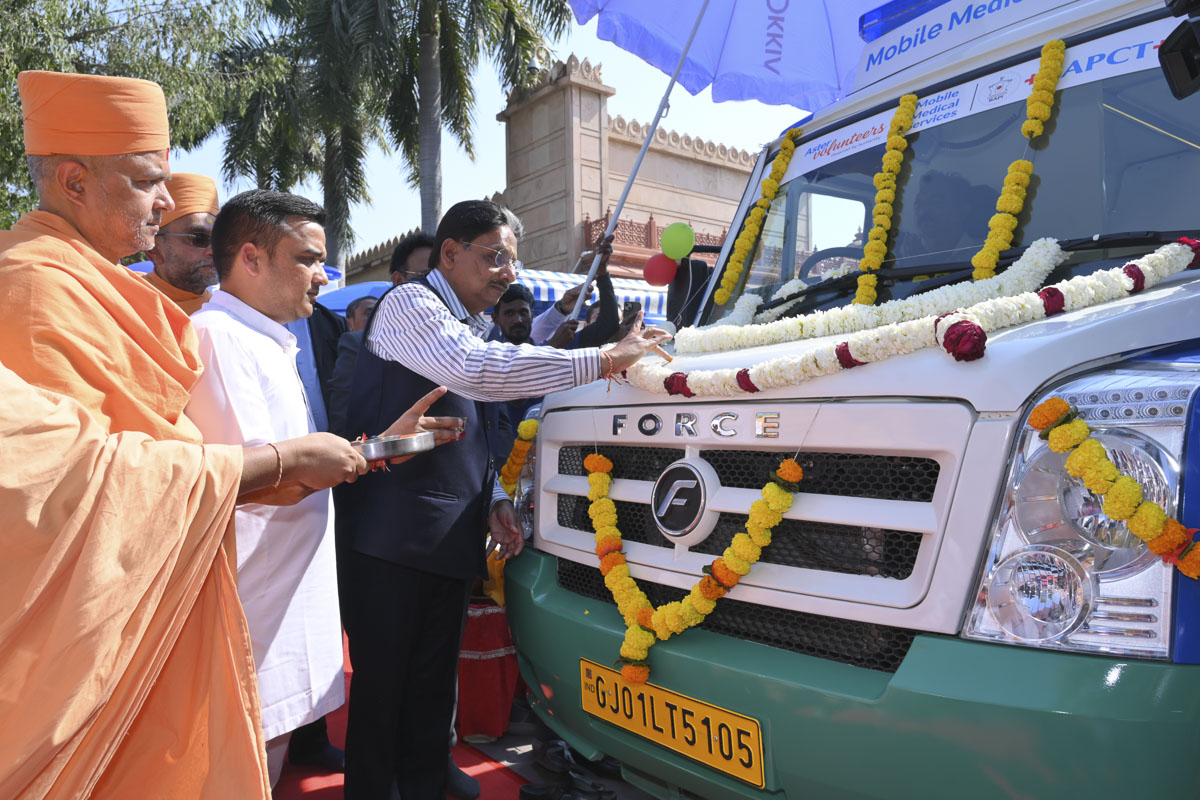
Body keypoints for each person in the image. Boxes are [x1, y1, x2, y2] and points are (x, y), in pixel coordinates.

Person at [0, 69, 370, 798]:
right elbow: (57, 491)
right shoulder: (33, 288)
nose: (168, 202)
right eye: (147, 181)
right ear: (74, 182)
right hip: (79, 654)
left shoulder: (97, 285)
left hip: (157, 611)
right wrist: (277, 460)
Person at [337, 199, 670, 798]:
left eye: (511, 262)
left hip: (445, 538)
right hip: (391, 541)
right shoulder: (412, 304)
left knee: (432, 690)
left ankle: (424, 783)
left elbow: (469, 427)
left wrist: (490, 494)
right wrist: (600, 360)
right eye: (493, 258)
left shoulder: (474, 322)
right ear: (450, 253)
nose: (505, 274)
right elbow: (472, 373)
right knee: (384, 692)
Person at [329, 232, 434, 438]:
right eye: (424, 277)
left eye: (440, 279)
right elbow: (344, 416)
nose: (434, 287)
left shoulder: (460, 336)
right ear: (398, 280)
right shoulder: (357, 343)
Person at [142, 172, 220, 314]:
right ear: (154, 249)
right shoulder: (121, 300)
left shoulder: (224, 316)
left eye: (218, 240)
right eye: (198, 238)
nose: (213, 251)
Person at [530, 234, 619, 348]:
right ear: (498, 319)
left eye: (524, 313)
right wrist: (554, 347)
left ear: (531, 315)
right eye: (509, 313)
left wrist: (601, 270)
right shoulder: (552, 347)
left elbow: (608, 325)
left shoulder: (560, 345)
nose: (517, 320)